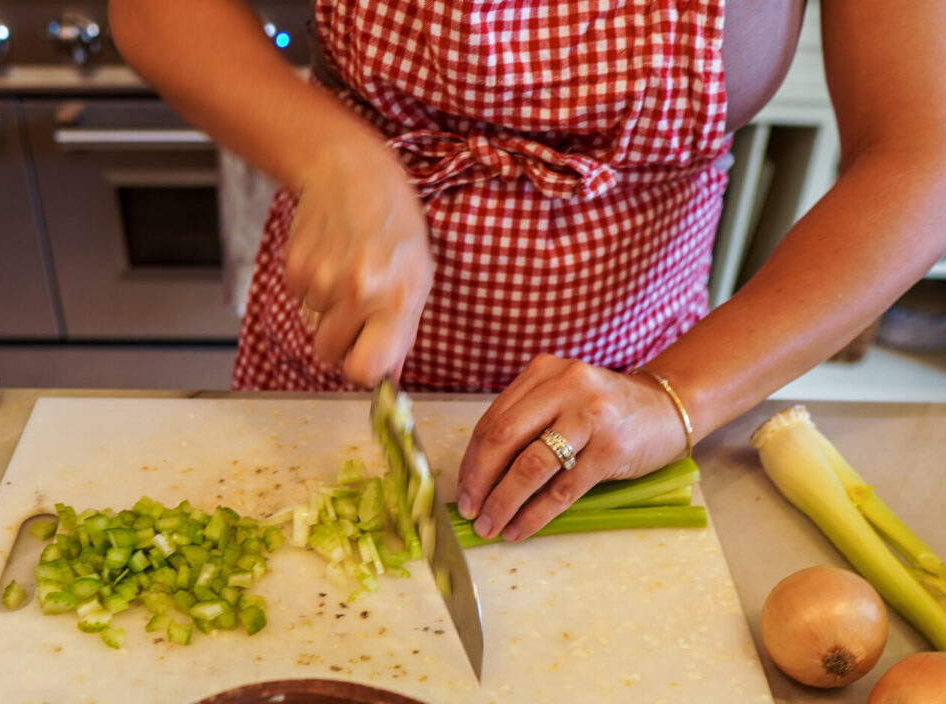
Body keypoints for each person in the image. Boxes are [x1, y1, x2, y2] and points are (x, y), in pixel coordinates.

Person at [110, 0, 946, 544]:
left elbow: (923, 150)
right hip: (335, 361)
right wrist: (332, 157)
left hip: (633, 383)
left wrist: (671, 396)